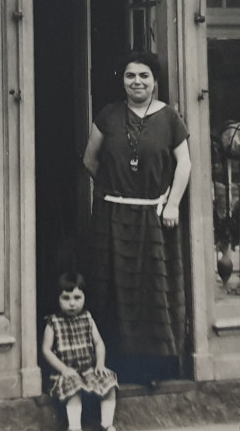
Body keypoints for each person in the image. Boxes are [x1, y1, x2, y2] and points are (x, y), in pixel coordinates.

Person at [82, 50, 192, 384]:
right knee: (112, 289)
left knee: (151, 291)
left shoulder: (170, 118)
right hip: (113, 215)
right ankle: (114, 365)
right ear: (123, 81)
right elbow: (90, 159)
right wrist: (115, 190)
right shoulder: (109, 115)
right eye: (130, 76)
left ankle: (154, 369)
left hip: (154, 218)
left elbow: (184, 165)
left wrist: (171, 204)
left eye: (144, 76)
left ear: (155, 81)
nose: (137, 82)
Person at [40, 274, 122, 431]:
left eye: (77, 298)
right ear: (58, 299)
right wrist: (63, 369)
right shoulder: (53, 322)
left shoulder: (88, 319)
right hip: (65, 373)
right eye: (66, 298)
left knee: (109, 383)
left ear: (84, 298)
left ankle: (106, 425)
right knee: (74, 387)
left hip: (88, 369)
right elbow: (46, 350)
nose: (72, 303)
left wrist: (100, 364)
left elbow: (99, 343)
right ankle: (74, 429)